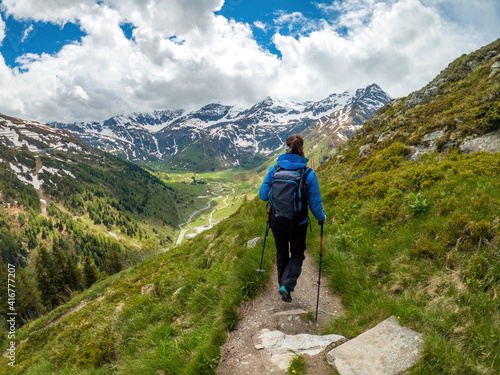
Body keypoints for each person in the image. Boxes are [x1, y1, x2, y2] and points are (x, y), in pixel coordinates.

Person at [259, 134, 326, 302]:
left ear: (286, 147)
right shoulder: (308, 173)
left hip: (277, 219)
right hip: (298, 222)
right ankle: (286, 286)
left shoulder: (274, 170)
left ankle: (283, 284)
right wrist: (321, 217)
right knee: (297, 253)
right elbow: (315, 203)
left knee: (281, 252)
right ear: (301, 149)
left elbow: (263, 196)